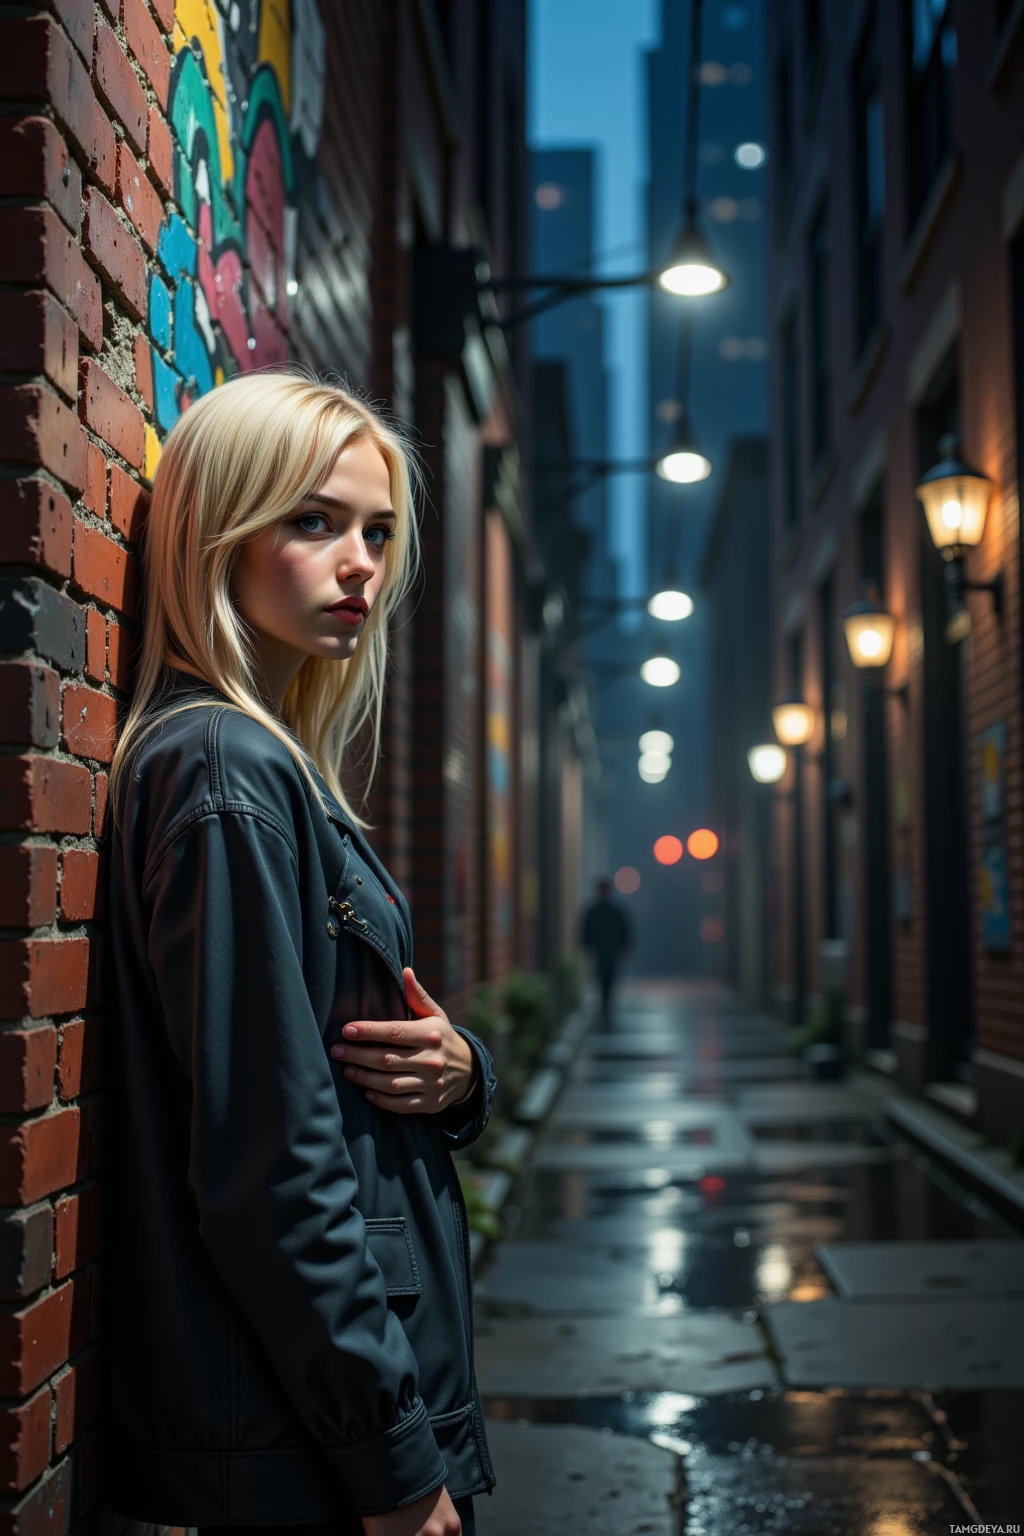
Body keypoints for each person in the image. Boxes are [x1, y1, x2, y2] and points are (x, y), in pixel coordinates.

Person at [105, 371, 496, 1536]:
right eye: (314, 521)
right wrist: (392, 1460)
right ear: (220, 529)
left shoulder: (267, 767)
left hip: (316, 1413)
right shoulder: (227, 772)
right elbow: (268, 1164)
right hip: (298, 1438)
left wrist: (462, 1069)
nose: (360, 562)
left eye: (377, 530)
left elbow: (323, 1064)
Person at [580, 876, 634, 1023]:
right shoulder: (615, 911)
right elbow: (626, 933)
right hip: (610, 953)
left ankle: (605, 1008)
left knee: (603, 981)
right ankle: (606, 1008)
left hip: (602, 953)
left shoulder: (593, 911)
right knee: (608, 981)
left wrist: (587, 949)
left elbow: (585, 933)